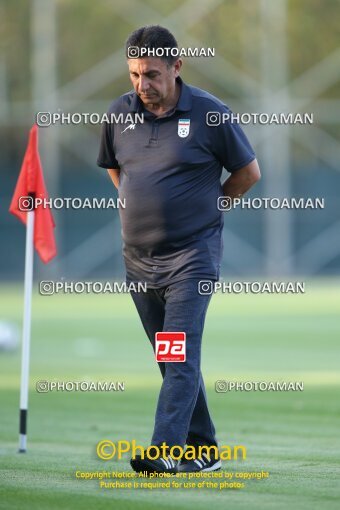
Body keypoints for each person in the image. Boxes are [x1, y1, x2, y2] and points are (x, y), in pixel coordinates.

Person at [97, 25, 261, 475]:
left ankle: (165, 449)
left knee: (178, 352)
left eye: (151, 74)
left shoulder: (210, 113)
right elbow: (118, 172)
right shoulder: (119, 114)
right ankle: (204, 448)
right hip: (138, 261)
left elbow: (249, 172)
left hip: (192, 258)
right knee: (172, 358)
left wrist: (209, 209)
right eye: (134, 74)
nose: (141, 85)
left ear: (176, 67)